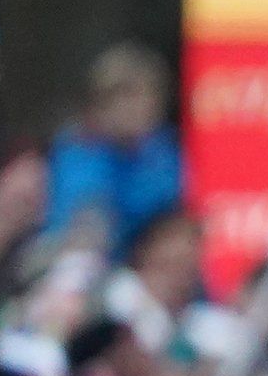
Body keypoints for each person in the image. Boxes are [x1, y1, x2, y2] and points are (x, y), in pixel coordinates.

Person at [43, 46, 186, 257]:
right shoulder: (79, 153)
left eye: (146, 97)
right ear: (100, 105)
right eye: (125, 97)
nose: (137, 109)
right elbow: (85, 224)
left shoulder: (165, 155)